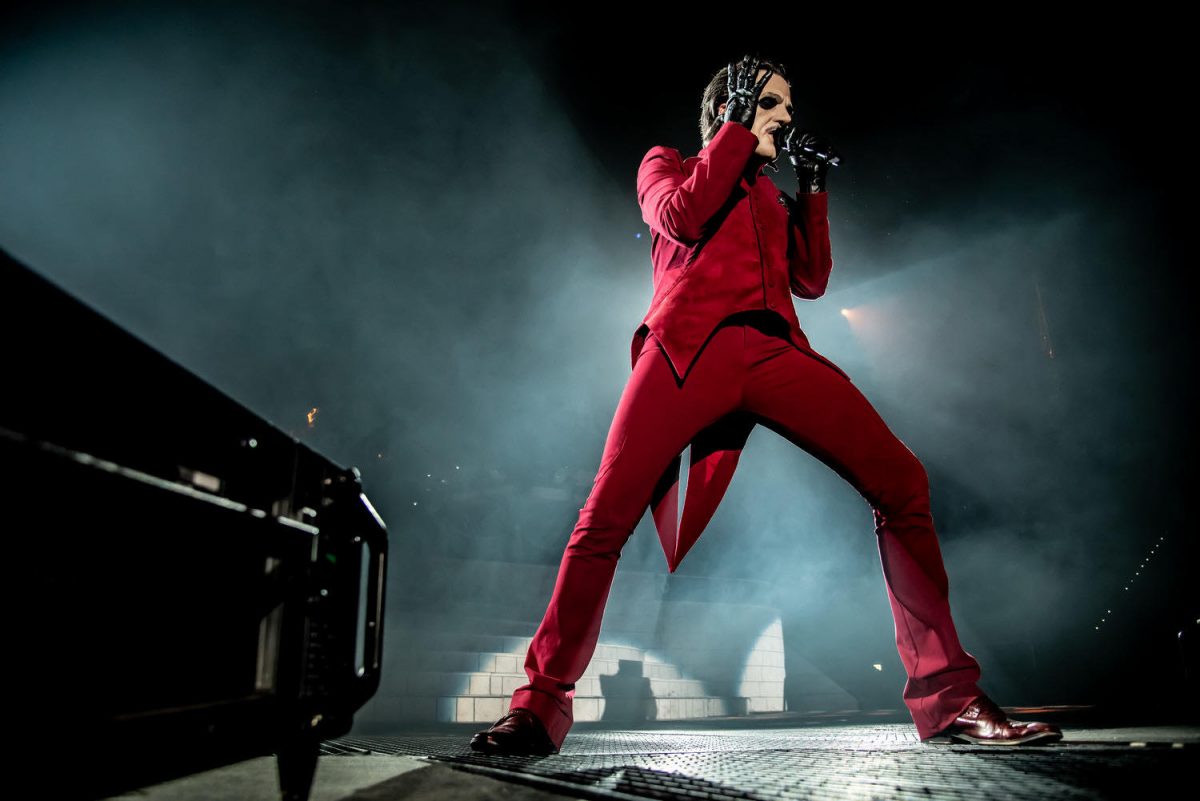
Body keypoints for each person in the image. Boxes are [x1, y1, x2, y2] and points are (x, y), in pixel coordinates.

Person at [470, 54, 1063, 754]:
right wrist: (734, 129)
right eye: (773, 103)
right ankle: (538, 708)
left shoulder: (769, 197)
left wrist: (810, 189)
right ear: (733, 102)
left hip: (774, 350)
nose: (787, 117)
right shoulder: (668, 163)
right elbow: (682, 217)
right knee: (602, 519)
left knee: (903, 481)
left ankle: (949, 698)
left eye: (787, 107)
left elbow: (810, 279)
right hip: (686, 349)